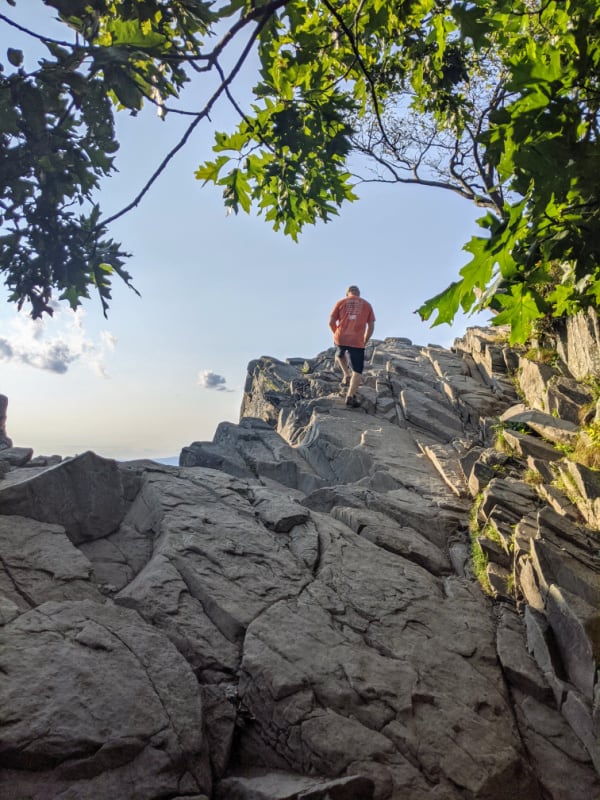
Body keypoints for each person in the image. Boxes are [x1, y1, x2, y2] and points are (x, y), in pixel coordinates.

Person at [329, 285, 375, 407]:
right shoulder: (367, 305)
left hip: (341, 337)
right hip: (357, 340)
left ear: (347, 294)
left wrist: (336, 334)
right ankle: (350, 396)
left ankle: (345, 374)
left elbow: (331, 322)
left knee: (339, 354)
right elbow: (371, 326)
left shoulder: (340, 302)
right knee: (357, 371)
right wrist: (365, 340)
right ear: (358, 293)